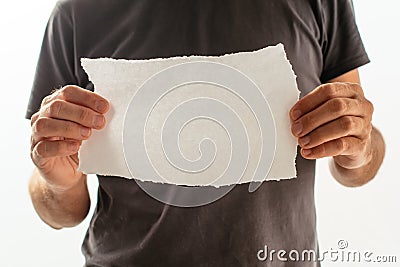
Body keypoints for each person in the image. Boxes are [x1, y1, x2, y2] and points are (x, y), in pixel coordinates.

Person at [26, 0, 385, 266]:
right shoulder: (78, 12)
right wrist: (59, 183)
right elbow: (61, 212)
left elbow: (356, 162)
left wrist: (359, 147)